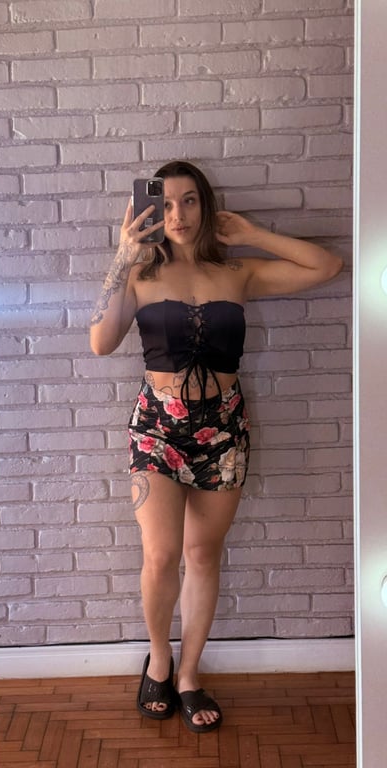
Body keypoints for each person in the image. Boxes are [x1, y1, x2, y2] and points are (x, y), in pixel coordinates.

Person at [90, 160, 343, 733]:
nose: (177, 214)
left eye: (190, 201)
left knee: (202, 554)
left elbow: (327, 265)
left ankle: (189, 675)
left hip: (224, 430)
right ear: (149, 212)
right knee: (161, 555)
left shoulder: (236, 271)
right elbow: (101, 342)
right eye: (165, 204)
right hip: (156, 429)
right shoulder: (140, 274)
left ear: (206, 206)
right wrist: (123, 255)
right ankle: (159, 660)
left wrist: (252, 233)